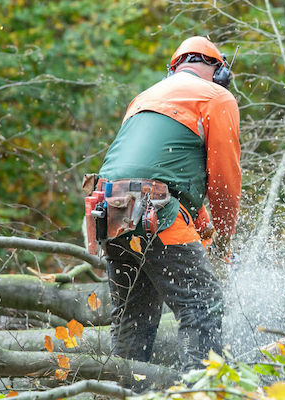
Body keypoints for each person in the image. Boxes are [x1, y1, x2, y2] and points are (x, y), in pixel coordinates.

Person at [95, 36, 241, 370]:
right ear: (219, 72)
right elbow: (223, 181)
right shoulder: (217, 97)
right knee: (202, 305)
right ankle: (201, 393)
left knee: (134, 316)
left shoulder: (143, 98)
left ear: (173, 69)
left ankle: (124, 393)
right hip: (154, 209)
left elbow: (159, 171)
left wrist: (204, 229)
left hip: (109, 209)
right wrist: (225, 237)